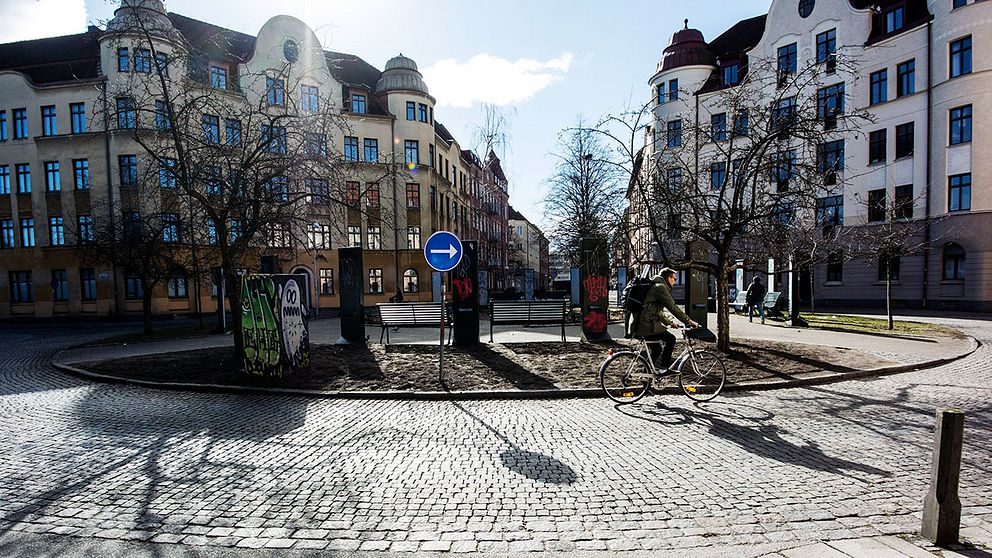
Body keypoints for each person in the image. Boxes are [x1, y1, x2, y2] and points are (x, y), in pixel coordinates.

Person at [632, 267, 699, 372]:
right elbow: (673, 307)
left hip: (642, 323)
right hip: (646, 325)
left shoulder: (656, 286)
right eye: (674, 279)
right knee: (671, 339)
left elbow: (656, 311)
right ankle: (664, 369)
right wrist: (689, 321)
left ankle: (646, 375)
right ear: (668, 278)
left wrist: (670, 322)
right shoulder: (660, 287)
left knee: (657, 349)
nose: (675, 281)